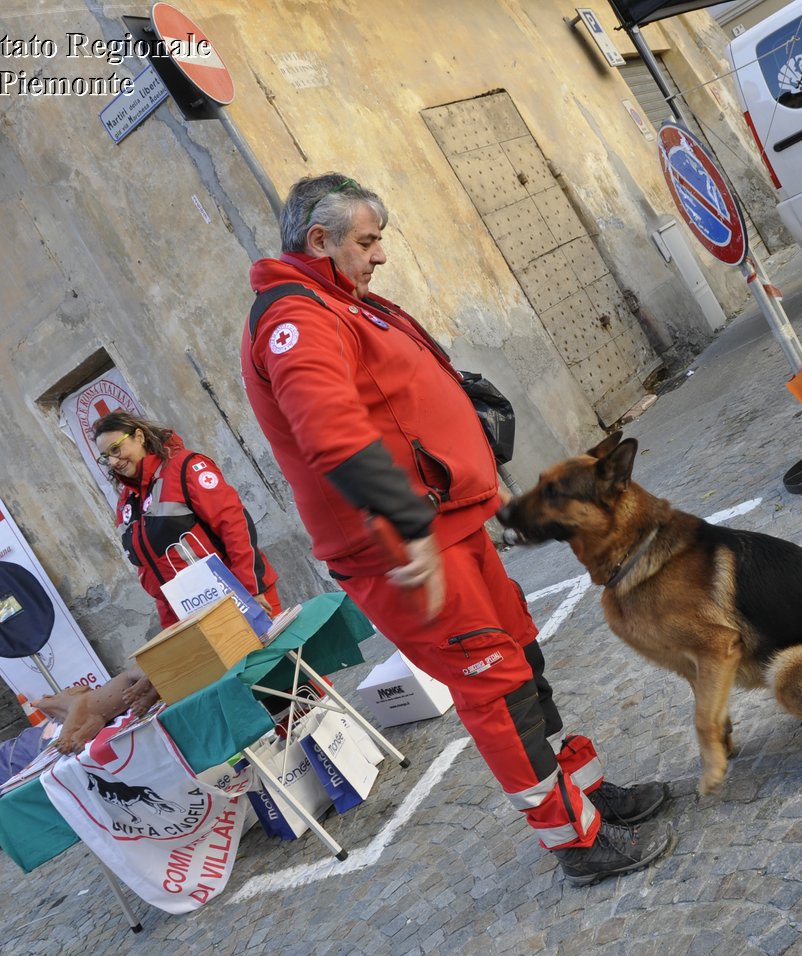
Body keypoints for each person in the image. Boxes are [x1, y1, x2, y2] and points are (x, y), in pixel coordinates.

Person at [238, 172, 674, 884]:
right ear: (320, 240)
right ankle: (576, 843)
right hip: (406, 545)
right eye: (367, 241)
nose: (379, 255)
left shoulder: (338, 301)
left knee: (521, 662)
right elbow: (332, 433)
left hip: (446, 530)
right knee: (495, 686)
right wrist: (410, 523)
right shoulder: (297, 318)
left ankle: (585, 794)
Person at [93, 411, 281, 630]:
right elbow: (152, 570)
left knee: (280, 661)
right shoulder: (126, 501)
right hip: (195, 615)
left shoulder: (184, 467)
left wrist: (252, 590)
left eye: (116, 449)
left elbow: (235, 527)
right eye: (106, 457)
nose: (114, 461)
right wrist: (173, 627)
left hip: (242, 596)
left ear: (139, 437)